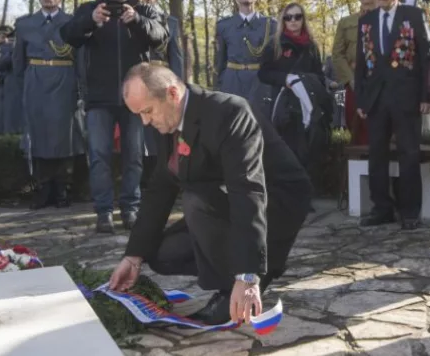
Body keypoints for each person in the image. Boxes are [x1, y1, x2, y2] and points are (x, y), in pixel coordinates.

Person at [108, 64, 312, 325]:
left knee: (195, 199)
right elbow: (160, 188)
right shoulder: (169, 122)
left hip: (278, 201)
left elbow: (247, 191)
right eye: (139, 114)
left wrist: (247, 275)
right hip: (226, 199)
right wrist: (133, 257)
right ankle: (245, 272)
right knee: (161, 255)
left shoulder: (228, 112)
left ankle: (241, 283)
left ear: (172, 93)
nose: (145, 121)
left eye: (147, 111)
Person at [60, 0, 167, 232]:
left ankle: (130, 209)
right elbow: (68, 36)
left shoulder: (144, 8)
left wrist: (139, 21)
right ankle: (103, 212)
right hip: (99, 96)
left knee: (134, 156)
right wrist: (91, 21)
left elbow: (161, 37)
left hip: (136, 98)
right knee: (99, 156)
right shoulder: (90, 8)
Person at [354, 0, 430, 230]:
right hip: (376, 99)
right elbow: (361, 66)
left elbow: (426, 58)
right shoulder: (366, 21)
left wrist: (426, 96)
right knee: (376, 154)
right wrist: (362, 101)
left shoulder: (413, 15)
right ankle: (382, 208)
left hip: (407, 97)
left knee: (408, 153)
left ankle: (410, 211)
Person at [13, 0, 85, 210]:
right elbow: (18, 62)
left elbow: (80, 58)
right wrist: (24, 88)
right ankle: (42, 190)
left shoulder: (73, 22)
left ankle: (62, 189)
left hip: (64, 80)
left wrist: (80, 89)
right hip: (35, 82)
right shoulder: (24, 24)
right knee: (38, 135)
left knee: (65, 136)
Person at [258, 3, 333, 180]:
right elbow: (263, 73)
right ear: (283, 20)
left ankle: (307, 194)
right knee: (290, 151)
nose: (293, 21)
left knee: (310, 149)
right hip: (285, 105)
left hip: (310, 104)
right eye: (288, 17)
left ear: (303, 19)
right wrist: (286, 79)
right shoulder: (275, 44)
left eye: (297, 17)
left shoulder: (311, 46)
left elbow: (318, 75)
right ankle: (291, 196)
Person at [135, 0, 187, 189]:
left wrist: (179, 86)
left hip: (162, 84)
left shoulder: (170, 22)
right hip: (137, 84)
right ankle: (143, 181)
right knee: (139, 134)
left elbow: (176, 57)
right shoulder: (130, 20)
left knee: (163, 130)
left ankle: (166, 180)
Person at [214, 0, 277, 109]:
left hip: (260, 82)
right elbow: (220, 61)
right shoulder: (224, 26)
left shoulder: (270, 25)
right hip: (232, 82)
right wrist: (221, 84)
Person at [332, 0, 377, 145]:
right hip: (355, 82)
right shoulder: (346, 22)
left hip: (380, 81)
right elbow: (337, 54)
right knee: (356, 126)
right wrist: (351, 80)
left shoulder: (385, 19)